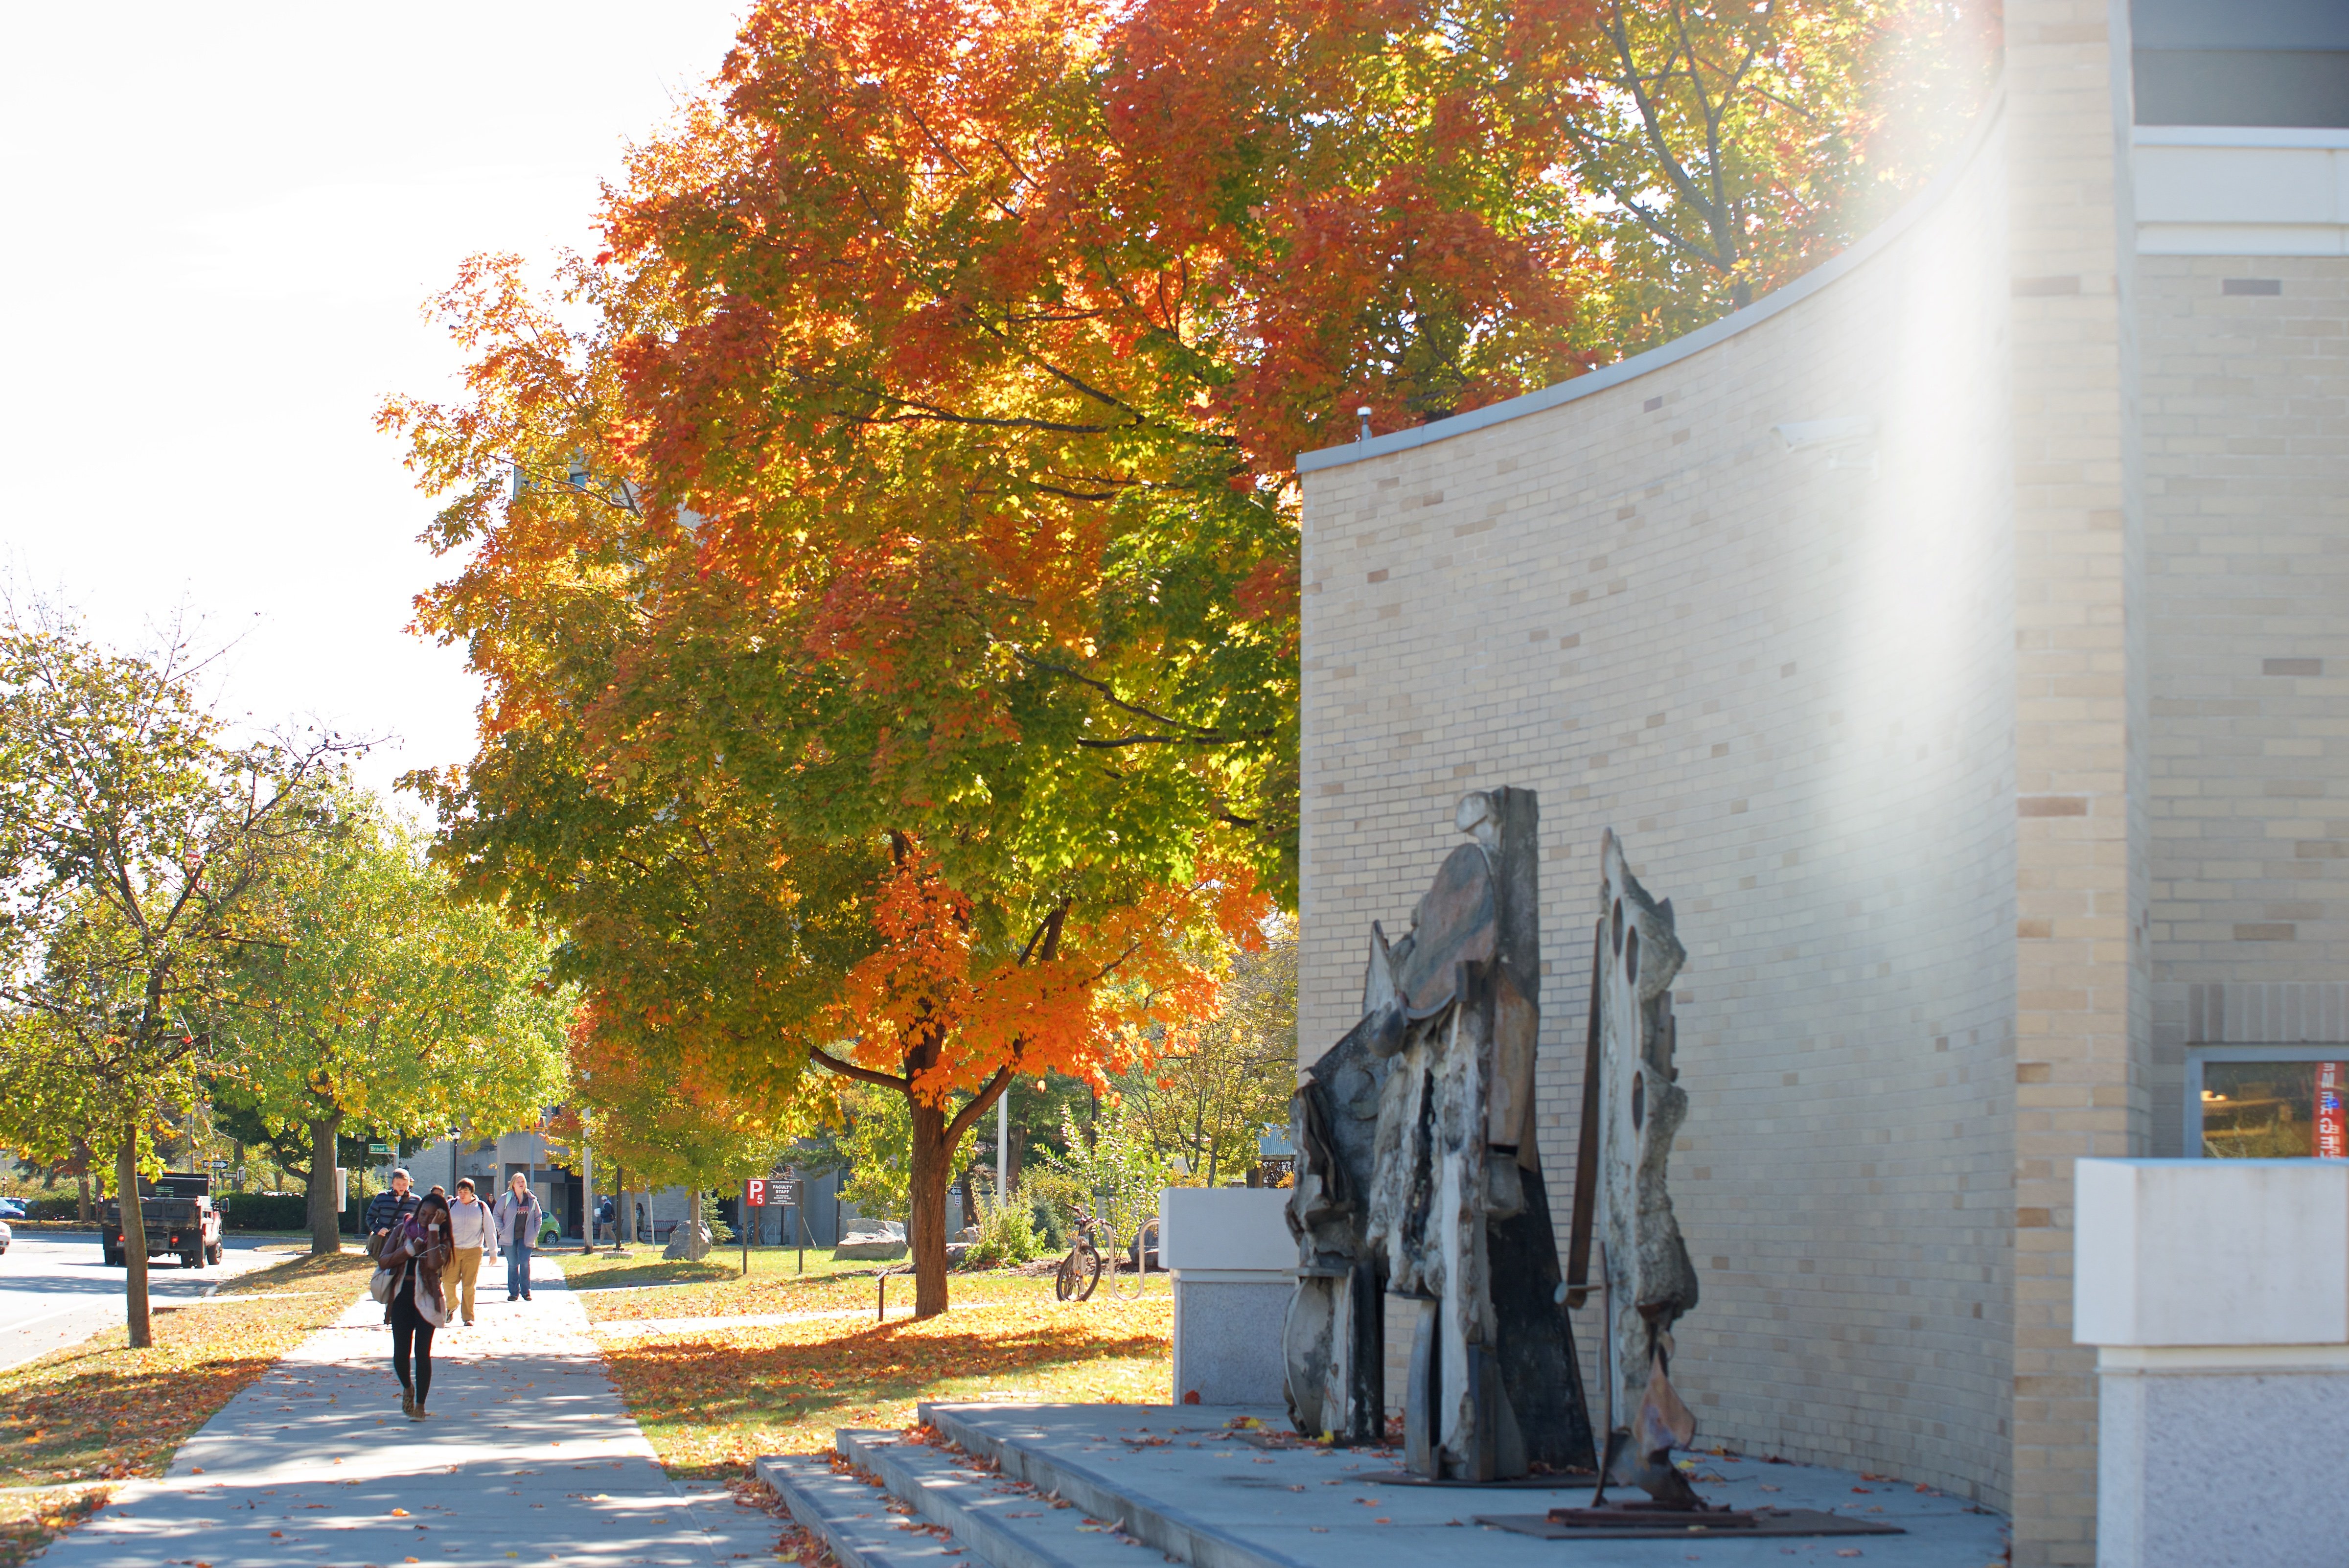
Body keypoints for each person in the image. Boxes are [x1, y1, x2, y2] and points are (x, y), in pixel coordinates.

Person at [381, 1191, 452, 1419]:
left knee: (423, 1353)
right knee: (400, 1354)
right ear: (418, 1210)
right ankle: (408, 1388)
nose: (425, 1218)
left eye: (432, 1216)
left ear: (440, 1218)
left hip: (427, 1299)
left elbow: (433, 1265)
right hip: (402, 1296)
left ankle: (420, 1406)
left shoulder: (443, 1239)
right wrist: (409, 1251)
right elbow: (383, 1260)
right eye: (423, 1213)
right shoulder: (403, 1230)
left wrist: (433, 1231)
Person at [443, 1177, 499, 1326]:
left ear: (472, 1192)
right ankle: (451, 1304)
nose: (462, 1195)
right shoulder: (451, 1205)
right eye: (460, 1191)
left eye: (465, 1192)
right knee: (448, 1281)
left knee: (469, 1286)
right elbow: (441, 1226)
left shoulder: (481, 1207)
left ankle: (468, 1317)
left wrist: (493, 1251)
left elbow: (489, 1229)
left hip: (473, 1251)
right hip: (453, 1250)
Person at [493, 1171, 544, 1302]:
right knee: (513, 1264)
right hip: (509, 1237)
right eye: (519, 1182)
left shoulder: (532, 1200)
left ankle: (526, 1292)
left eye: (523, 1182)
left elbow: (539, 1217)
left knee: (525, 1263)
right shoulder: (506, 1199)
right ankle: (514, 1293)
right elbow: (497, 1215)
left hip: (526, 1237)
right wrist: (501, 1231)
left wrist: (535, 1232)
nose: (521, 1184)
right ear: (513, 1185)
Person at [364, 1168, 420, 1255]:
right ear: (392, 1184)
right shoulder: (381, 1197)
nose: (402, 1187)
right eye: (398, 1184)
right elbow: (370, 1217)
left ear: (409, 1184)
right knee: (383, 1267)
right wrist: (378, 1230)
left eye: (405, 1184)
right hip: (385, 1243)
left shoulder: (417, 1201)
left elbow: (421, 1222)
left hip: (406, 1243)